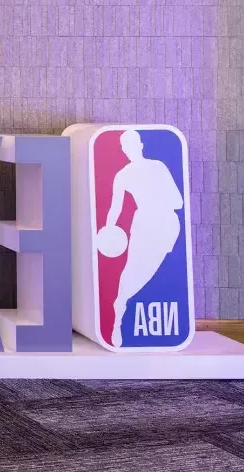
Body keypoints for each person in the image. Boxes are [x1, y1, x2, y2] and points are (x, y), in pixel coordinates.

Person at [101, 130, 184, 347]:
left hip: (165, 224)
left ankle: (122, 304)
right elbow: (114, 209)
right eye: (125, 146)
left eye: (131, 144)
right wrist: (109, 230)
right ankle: (119, 313)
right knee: (132, 269)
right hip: (145, 223)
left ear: (140, 145)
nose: (129, 149)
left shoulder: (158, 167)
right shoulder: (123, 175)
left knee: (152, 269)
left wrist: (157, 200)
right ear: (124, 149)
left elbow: (178, 202)